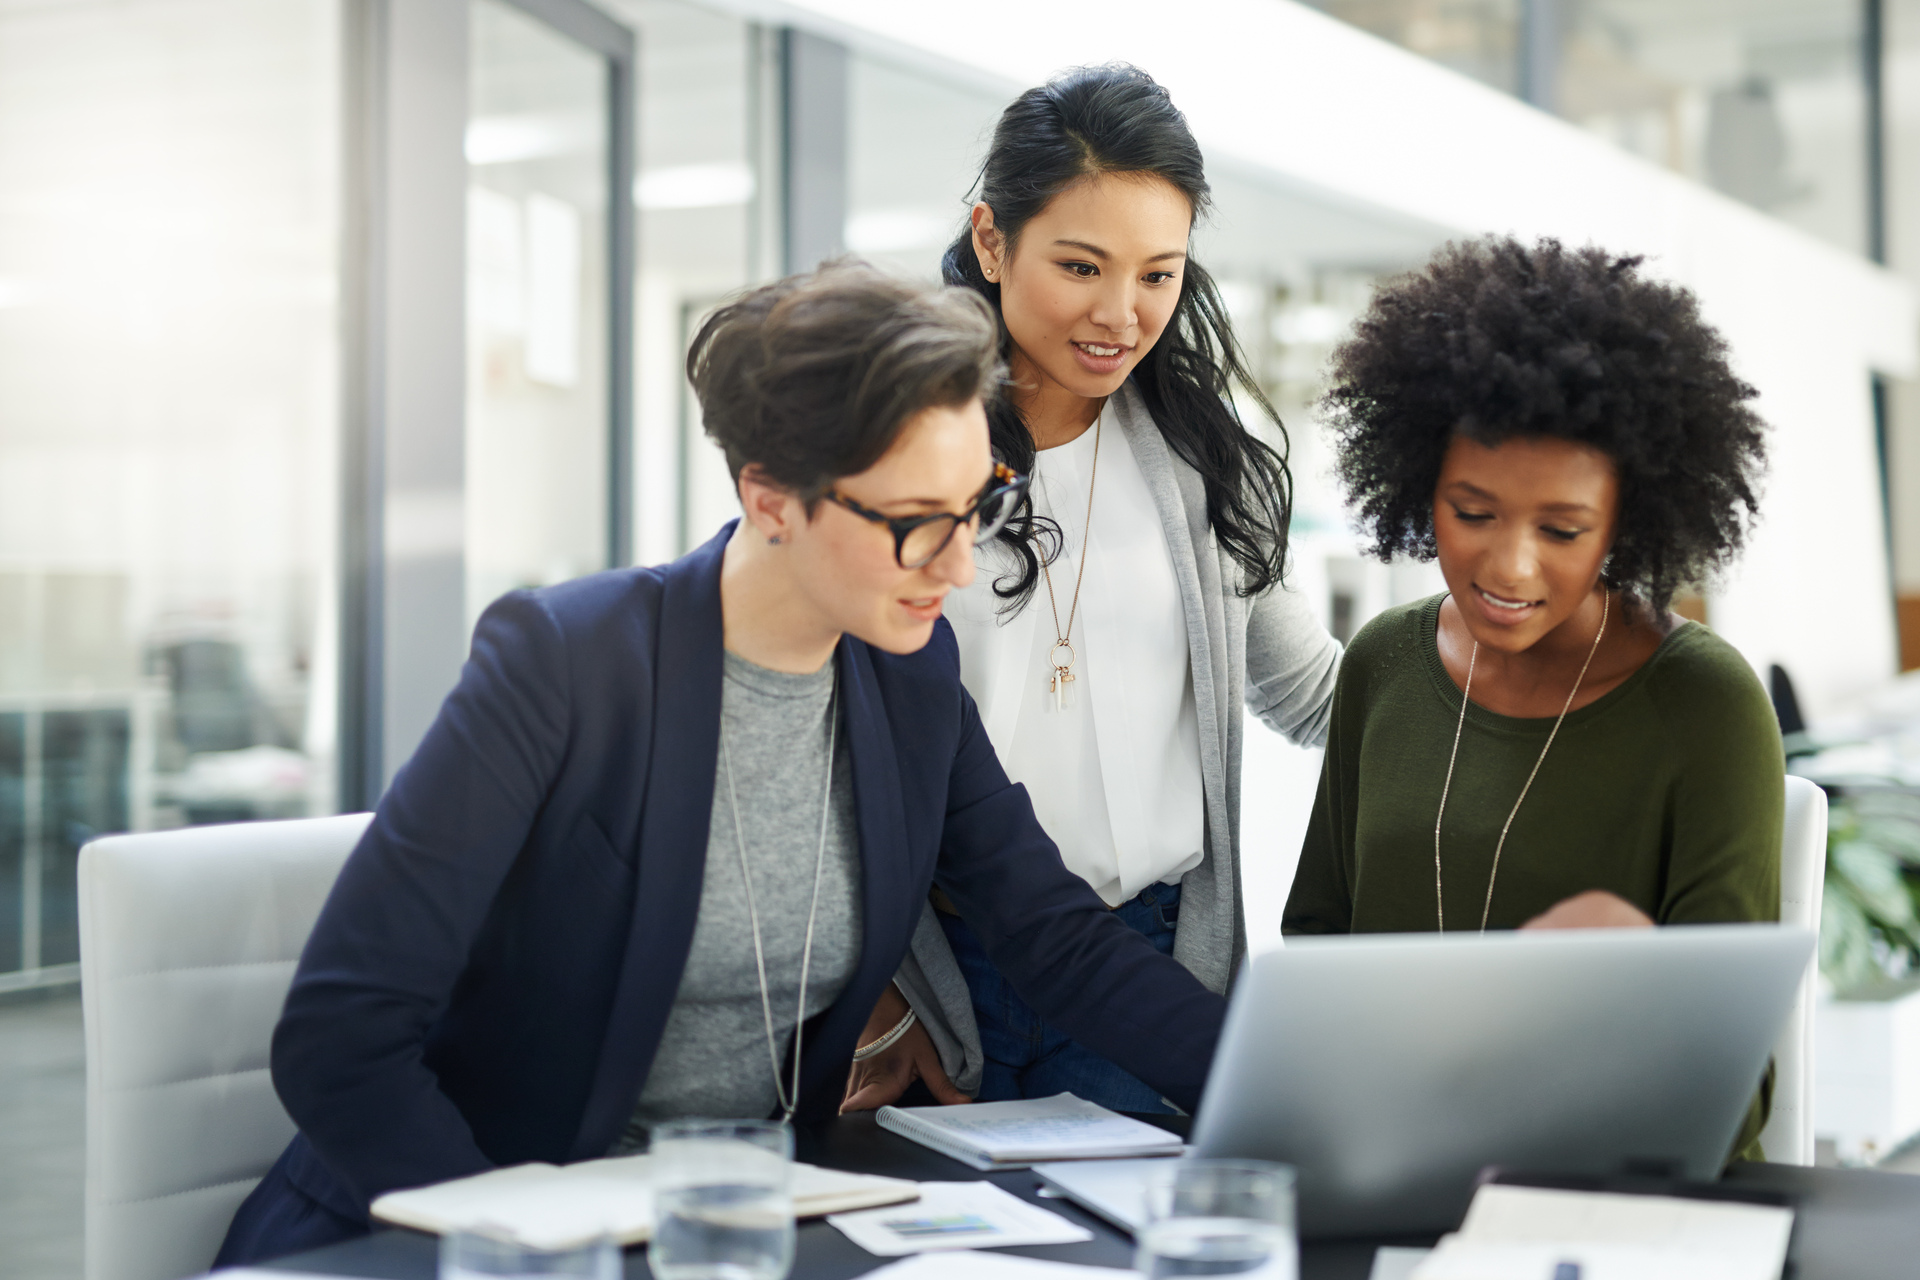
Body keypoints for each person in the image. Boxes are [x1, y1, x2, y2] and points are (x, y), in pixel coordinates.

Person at [213, 263, 1228, 1266]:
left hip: (723, 1232)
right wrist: (531, 1253)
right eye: (919, 523)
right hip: (463, 1232)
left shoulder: (905, 680)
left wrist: (1266, 1074)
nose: (960, 565)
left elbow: (1052, 934)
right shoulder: (567, 662)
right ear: (773, 497)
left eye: (977, 509)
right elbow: (342, 1039)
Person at [842, 64, 1339, 1116]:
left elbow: (1313, 692)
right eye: (1081, 264)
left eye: (1159, 274)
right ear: (991, 240)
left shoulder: (1208, 464)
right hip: (940, 971)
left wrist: (1520, 655)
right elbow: (818, 734)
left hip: (1148, 965)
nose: (1121, 313)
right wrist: (881, 992)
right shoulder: (891, 451)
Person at [1282, 235, 1781, 1160]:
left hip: (1613, 1195)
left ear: (1627, 523)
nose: (1508, 566)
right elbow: (1317, 947)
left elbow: (1733, 1089)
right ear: (1417, 485)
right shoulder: (1384, 663)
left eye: (1562, 528)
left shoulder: (1706, 708)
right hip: (1392, 1163)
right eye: (1472, 513)